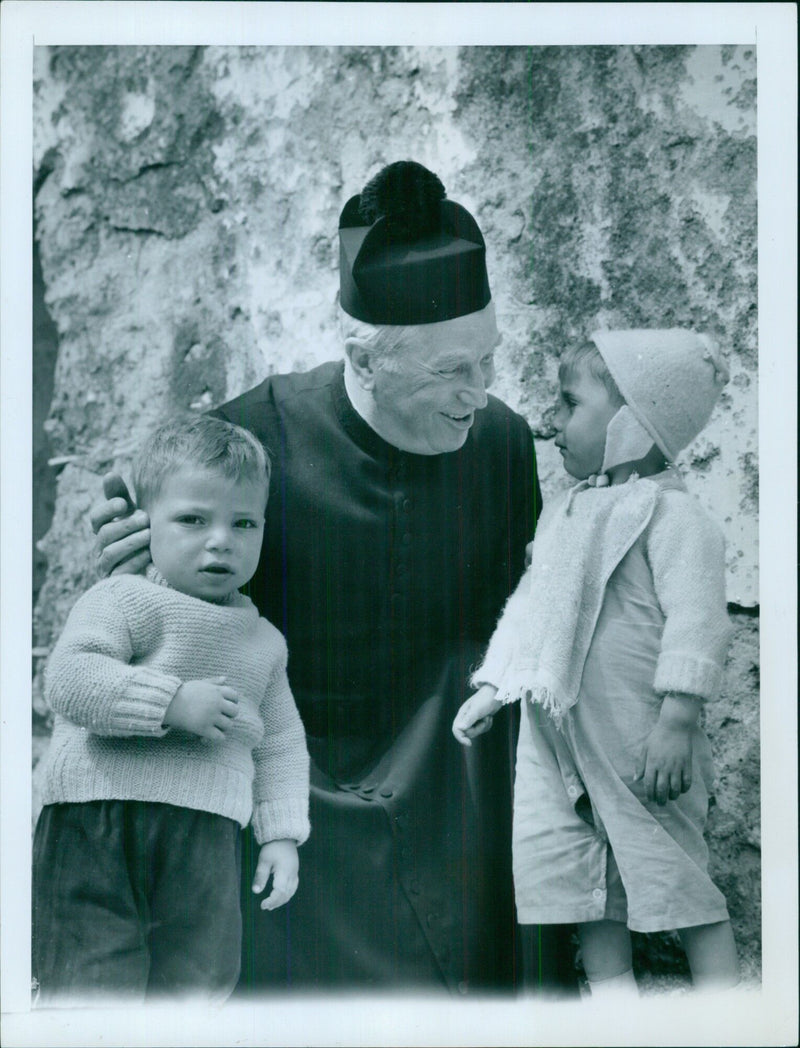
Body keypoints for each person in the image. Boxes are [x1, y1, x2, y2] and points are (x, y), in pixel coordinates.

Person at [91, 161, 579, 993]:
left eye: (488, 362)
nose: (480, 395)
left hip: (446, 771)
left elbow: (520, 625)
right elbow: (168, 618)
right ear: (367, 357)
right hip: (294, 765)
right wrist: (138, 574)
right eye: (450, 372)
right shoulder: (250, 439)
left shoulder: (500, 444)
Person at [453, 329, 740, 998]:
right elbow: (532, 608)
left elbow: (698, 623)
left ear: (632, 427)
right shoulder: (566, 513)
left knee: (673, 870)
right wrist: (497, 683)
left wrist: (677, 718)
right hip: (558, 735)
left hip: (636, 735)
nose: (552, 422)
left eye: (570, 404)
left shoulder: (676, 518)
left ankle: (731, 1015)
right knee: (581, 886)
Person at [34, 416, 310, 1003]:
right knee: (87, 979)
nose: (221, 541)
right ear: (145, 525)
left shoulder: (262, 640)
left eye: (244, 523)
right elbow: (69, 678)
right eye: (192, 520)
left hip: (207, 835)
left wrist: (282, 836)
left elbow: (282, 744)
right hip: (98, 818)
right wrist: (173, 702)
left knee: (197, 983)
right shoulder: (122, 598)